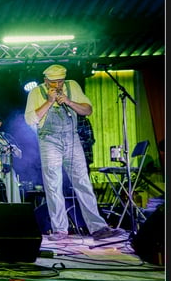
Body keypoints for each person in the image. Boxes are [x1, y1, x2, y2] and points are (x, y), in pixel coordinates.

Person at [24, 64, 125, 241]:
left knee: (82, 181)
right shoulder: (36, 92)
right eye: (53, 82)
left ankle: (98, 228)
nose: (57, 85)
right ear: (45, 80)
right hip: (49, 139)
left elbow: (88, 110)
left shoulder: (72, 86)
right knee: (53, 184)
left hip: (72, 137)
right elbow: (30, 120)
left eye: (60, 82)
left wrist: (69, 101)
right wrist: (49, 101)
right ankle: (60, 230)